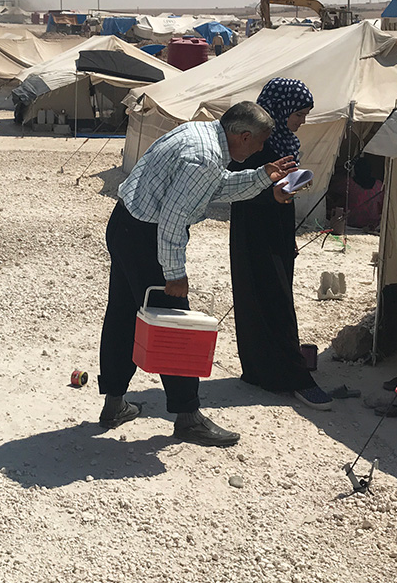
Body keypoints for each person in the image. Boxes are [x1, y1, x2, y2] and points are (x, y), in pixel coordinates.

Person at [97, 101, 297, 446]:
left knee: (124, 314)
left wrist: (262, 176)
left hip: (125, 225)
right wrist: (175, 273)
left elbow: (215, 189)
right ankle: (188, 416)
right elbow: (173, 220)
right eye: (260, 142)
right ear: (244, 136)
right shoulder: (205, 158)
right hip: (147, 237)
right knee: (176, 324)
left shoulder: (200, 132)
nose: (261, 149)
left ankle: (115, 402)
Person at [229, 78, 334, 409]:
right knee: (270, 302)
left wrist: (291, 186)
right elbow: (236, 186)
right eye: (298, 115)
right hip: (254, 233)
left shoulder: (283, 142)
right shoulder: (256, 143)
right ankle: (294, 377)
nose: (301, 122)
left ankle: (265, 373)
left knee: (271, 297)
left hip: (276, 230)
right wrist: (272, 193)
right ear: (282, 110)